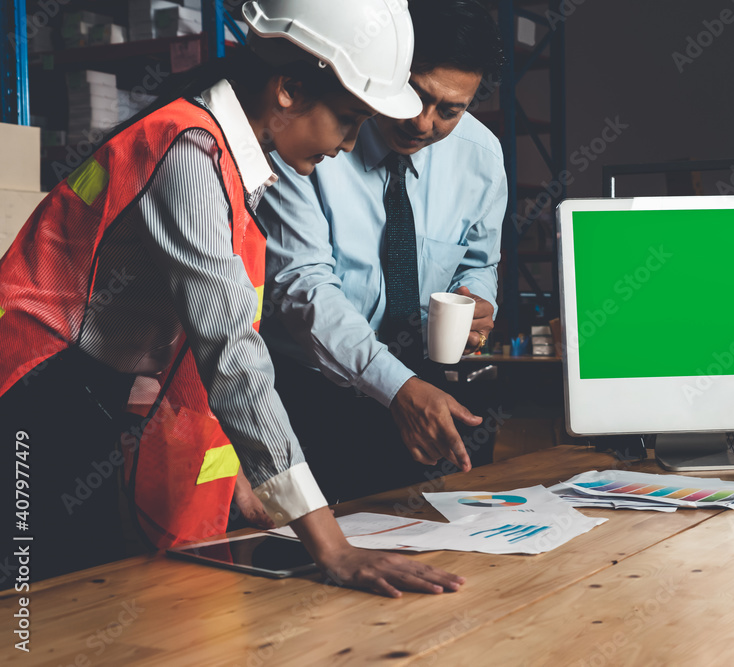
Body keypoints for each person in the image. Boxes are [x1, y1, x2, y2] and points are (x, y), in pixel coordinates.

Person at [0, 0, 462, 598]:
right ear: (290, 89)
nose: (350, 144)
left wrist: (250, 477)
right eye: (348, 119)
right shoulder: (189, 155)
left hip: (82, 398)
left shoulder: (224, 158)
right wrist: (333, 548)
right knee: (36, 611)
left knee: (79, 590)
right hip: (33, 398)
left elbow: (186, 335)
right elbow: (230, 353)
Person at [256, 0, 506, 502]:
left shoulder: (481, 156)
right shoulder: (310, 134)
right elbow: (304, 285)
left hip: (427, 391)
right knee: (304, 564)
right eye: (415, 95)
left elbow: (480, 261)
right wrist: (395, 388)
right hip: (309, 393)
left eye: (450, 110)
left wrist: (477, 300)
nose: (422, 123)